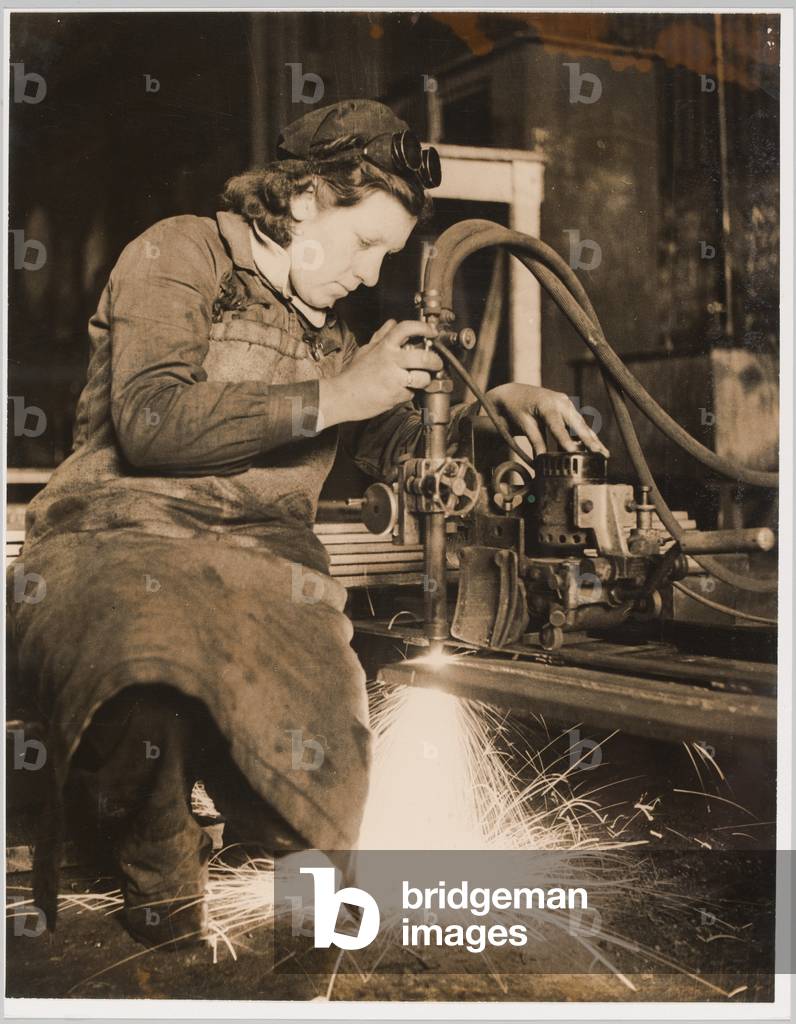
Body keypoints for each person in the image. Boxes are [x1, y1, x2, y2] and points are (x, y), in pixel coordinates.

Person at [7, 99, 607, 950]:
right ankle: (160, 886)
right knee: (144, 661)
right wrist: (339, 393)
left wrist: (488, 414)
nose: (369, 274)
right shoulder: (179, 253)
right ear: (301, 202)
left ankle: (310, 928)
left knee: (321, 742)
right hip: (116, 540)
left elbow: (395, 440)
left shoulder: (336, 336)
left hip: (264, 568)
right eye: (363, 243)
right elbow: (150, 419)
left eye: (386, 255)